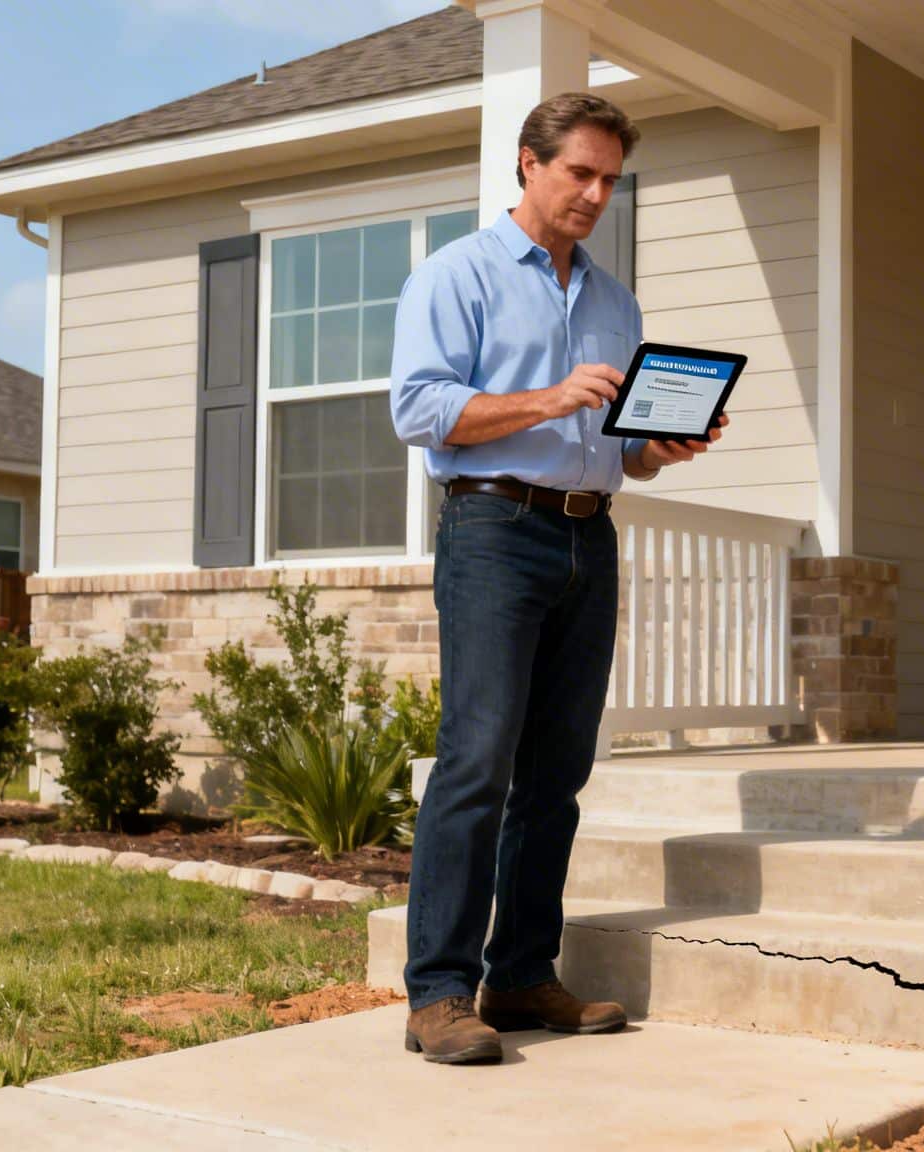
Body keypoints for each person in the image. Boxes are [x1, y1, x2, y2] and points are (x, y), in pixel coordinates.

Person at [388, 92, 726, 1065]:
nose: (594, 193)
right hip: (494, 529)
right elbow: (419, 410)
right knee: (476, 761)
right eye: (579, 172)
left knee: (558, 772)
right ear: (528, 166)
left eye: (610, 180)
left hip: (590, 535)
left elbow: (624, 457)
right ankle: (439, 994)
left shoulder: (616, 303)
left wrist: (666, 447)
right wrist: (550, 395)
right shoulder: (459, 276)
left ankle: (521, 973)